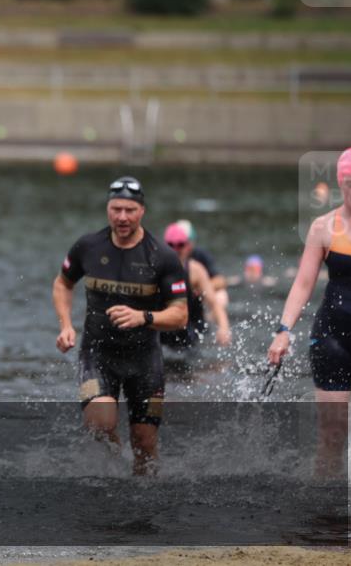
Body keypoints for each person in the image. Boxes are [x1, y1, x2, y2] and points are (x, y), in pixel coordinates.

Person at [53, 177, 188, 476]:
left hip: (144, 360)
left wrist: (145, 317)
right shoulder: (88, 246)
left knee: (145, 442)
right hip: (97, 354)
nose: (122, 217)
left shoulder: (162, 256)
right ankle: (117, 465)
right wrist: (66, 325)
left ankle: (142, 495)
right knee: (99, 424)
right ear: (108, 209)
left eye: (129, 210)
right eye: (116, 209)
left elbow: (180, 315)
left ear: (141, 212)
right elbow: (63, 284)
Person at [268, 147, 351, 475]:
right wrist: (284, 330)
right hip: (332, 338)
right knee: (331, 438)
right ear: (341, 185)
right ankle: (326, 517)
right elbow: (303, 284)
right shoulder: (323, 227)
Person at [160, 222, 231, 354]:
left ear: (188, 246)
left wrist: (224, 328)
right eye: (171, 245)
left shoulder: (195, 270)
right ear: (164, 246)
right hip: (163, 326)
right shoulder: (155, 268)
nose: (175, 249)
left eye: (180, 245)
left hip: (190, 327)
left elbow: (214, 303)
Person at [177, 219, 229, 309]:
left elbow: (221, 280)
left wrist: (202, 287)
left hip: (198, 295)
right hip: (176, 296)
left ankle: (211, 319)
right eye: (180, 244)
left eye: (188, 242)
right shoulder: (168, 256)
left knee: (221, 295)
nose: (184, 248)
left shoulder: (200, 255)